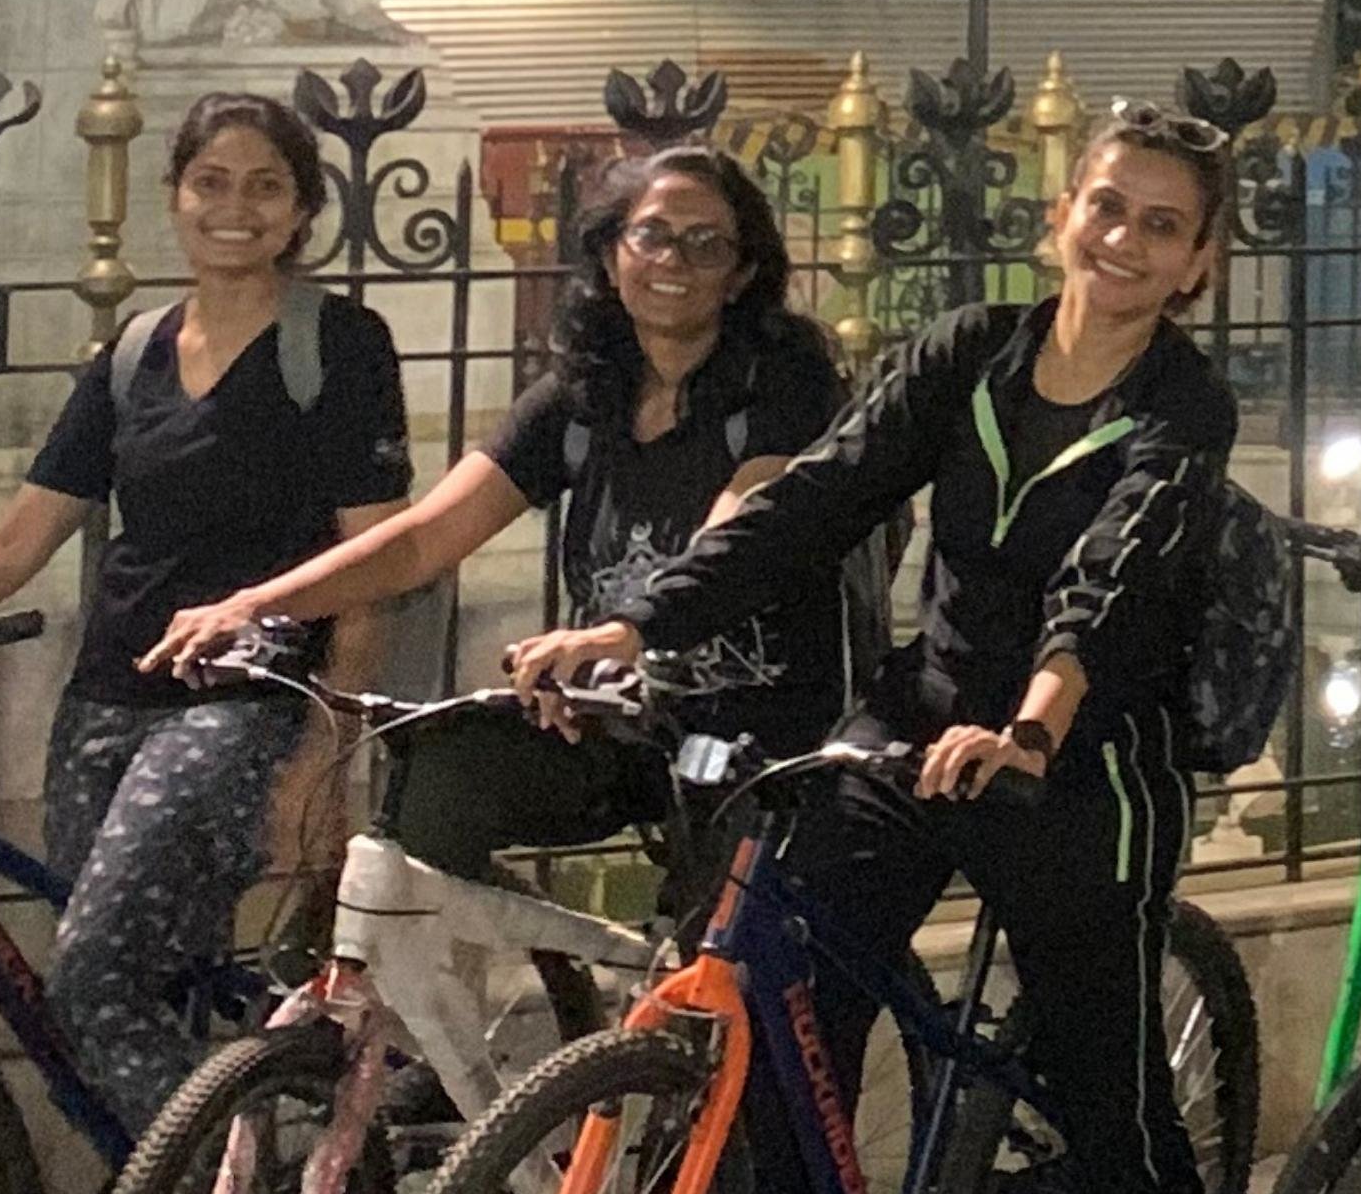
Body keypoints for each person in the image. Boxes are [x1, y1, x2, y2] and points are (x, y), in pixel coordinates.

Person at [523, 109, 1254, 1194]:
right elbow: (823, 497)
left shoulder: (1185, 405)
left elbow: (1109, 583)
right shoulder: (969, 354)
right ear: (1066, 210)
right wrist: (641, 621)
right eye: (1108, 205)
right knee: (783, 1004)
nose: (1123, 238)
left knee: (1113, 1108)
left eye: (1162, 224)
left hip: (1079, 757)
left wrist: (1039, 718)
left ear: (1198, 264)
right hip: (919, 721)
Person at [0, 95, 410, 1127]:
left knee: (89, 978)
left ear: (304, 209)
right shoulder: (134, 355)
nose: (234, 207)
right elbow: (16, 543)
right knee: (133, 989)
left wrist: (327, 745)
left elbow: (374, 559)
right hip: (106, 701)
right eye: (210, 182)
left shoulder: (338, 346)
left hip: (243, 701)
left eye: (266, 185)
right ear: (173, 197)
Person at [157, 144, 852, 749]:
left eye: (707, 245)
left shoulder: (787, 387)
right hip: (608, 714)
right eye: (652, 235)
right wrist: (257, 604)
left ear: (740, 276)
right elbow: (422, 539)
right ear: (613, 257)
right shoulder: (579, 396)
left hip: (755, 732)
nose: (674, 259)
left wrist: (619, 636)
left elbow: (738, 534)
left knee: (719, 899)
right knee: (443, 790)